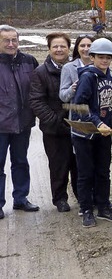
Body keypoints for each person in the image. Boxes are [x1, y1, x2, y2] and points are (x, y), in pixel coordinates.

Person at [71, 38, 112, 227]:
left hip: (104, 133)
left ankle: (103, 205)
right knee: (85, 172)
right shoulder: (87, 76)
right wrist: (97, 122)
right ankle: (86, 209)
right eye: (101, 57)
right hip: (84, 133)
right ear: (92, 57)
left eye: (108, 58)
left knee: (103, 171)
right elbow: (79, 105)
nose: (105, 61)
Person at [29, 32, 77, 213]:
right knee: (58, 165)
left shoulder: (75, 68)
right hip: (54, 129)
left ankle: (81, 195)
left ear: (68, 48)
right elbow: (36, 101)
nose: (59, 49)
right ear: (49, 49)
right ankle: (60, 198)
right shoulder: (41, 72)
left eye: (62, 46)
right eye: (55, 46)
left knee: (78, 163)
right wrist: (56, 121)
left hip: (76, 125)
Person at [0, 24, 39, 219]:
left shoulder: (29, 61)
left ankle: (21, 199)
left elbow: (39, 89)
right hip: (0, 125)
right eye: (6, 40)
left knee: (21, 162)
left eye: (14, 40)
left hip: (22, 124)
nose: (11, 44)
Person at [60, 34, 95, 103]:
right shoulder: (68, 68)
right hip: (77, 111)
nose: (86, 49)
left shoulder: (101, 66)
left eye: (89, 46)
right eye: (82, 46)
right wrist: (72, 89)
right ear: (77, 48)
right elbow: (63, 97)